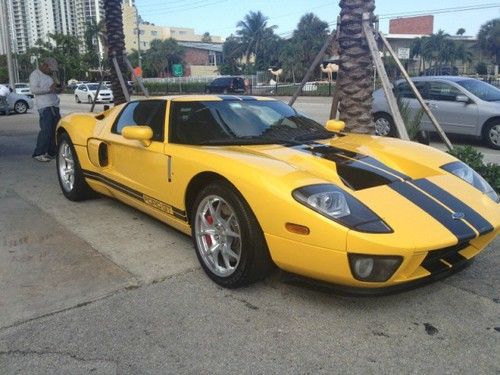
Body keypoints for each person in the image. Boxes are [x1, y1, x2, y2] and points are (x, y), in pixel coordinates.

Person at [29, 57, 61, 162]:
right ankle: (39, 153)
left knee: (55, 130)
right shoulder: (35, 75)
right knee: (46, 130)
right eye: (50, 69)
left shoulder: (50, 76)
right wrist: (49, 89)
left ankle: (52, 152)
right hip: (44, 106)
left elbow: (55, 89)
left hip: (54, 105)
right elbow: (34, 90)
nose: (51, 71)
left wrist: (58, 88)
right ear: (45, 65)